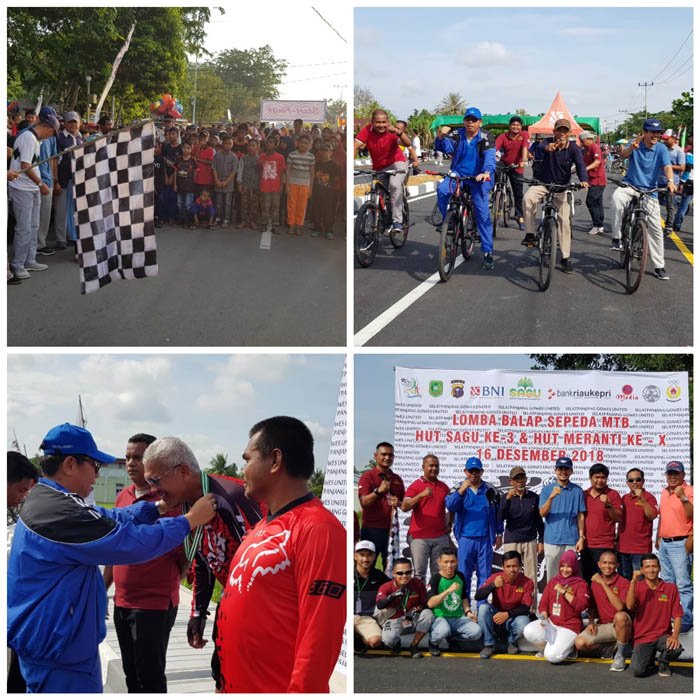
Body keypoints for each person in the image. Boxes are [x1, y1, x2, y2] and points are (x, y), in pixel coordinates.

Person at [7, 424, 216, 693]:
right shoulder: (57, 512)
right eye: (94, 465)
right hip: (59, 652)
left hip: (58, 643)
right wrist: (189, 521)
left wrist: (158, 508)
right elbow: (127, 543)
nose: (98, 473)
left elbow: (107, 519)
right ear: (70, 464)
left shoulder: (54, 501)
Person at [216, 417, 345, 692]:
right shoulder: (262, 526)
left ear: (275, 460)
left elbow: (319, 634)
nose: (243, 471)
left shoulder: (318, 529)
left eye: (247, 459)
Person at [142, 436, 262, 692]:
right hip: (231, 603)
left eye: (156, 480)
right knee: (220, 675)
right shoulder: (189, 505)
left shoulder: (231, 497)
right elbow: (203, 558)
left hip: (258, 611)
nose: (153, 490)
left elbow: (260, 564)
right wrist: (198, 612)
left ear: (184, 471)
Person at [102, 433, 187, 693]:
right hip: (122, 601)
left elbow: (184, 554)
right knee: (131, 675)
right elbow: (112, 550)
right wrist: (103, 588)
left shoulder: (169, 500)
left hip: (153, 605)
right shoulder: (122, 498)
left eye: (138, 457)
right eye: (128, 457)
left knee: (150, 678)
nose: (131, 463)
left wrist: (170, 585)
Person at [610, 118, 676, 280]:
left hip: (650, 191)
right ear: (644, 132)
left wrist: (670, 181)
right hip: (630, 186)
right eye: (652, 132)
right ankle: (617, 238)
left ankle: (659, 266)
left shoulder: (661, 148)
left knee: (655, 230)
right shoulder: (635, 142)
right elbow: (622, 155)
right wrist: (632, 147)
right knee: (616, 198)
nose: (656, 135)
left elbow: (667, 166)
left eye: (658, 132)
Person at [521, 119, 589, 273]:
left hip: (562, 187)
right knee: (528, 198)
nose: (562, 134)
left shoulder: (574, 148)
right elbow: (539, 149)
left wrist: (584, 180)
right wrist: (548, 148)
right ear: (554, 132)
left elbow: (580, 165)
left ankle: (565, 258)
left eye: (565, 131)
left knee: (564, 221)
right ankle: (530, 234)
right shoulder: (546, 143)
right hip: (543, 184)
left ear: (569, 133)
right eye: (559, 131)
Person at [434, 107, 497, 269]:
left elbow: (490, 158)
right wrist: (441, 136)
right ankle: (448, 222)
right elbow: (444, 147)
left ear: (480, 122)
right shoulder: (457, 135)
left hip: (479, 178)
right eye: (468, 119)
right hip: (458, 175)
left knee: (483, 214)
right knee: (442, 190)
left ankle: (487, 252)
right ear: (464, 121)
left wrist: (486, 172)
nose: (470, 122)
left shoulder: (486, 137)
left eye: (474, 120)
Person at [8, 111, 59, 280]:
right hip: (22, 188)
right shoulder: (29, 138)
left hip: (31, 188)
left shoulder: (36, 139)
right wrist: (40, 183)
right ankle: (18, 264)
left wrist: (38, 184)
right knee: (24, 228)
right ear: (47, 127)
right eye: (52, 132)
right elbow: (25, 165)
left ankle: (29, 259)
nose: (52, 135)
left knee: (33, 226)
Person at [445, 456, 503, 602]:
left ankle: (482, 606)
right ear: (465, 471)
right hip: (466, 538)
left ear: (481, 472)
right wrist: (462, 491)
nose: (473, 474)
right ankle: (465, 607)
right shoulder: (458, 487)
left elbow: (498, 513)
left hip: (485, 538)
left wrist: (499, 533)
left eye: (476, 471)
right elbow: (450, 506)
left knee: (485, 574)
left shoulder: (490, 489)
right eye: (470, 471)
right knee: (464, 574)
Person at [523, 550, 590, 663]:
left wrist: (564, 592)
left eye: (569, 566)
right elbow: (543, 604)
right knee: (529, 631)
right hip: (552, 623)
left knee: (552, 657)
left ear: (574, 566)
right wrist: (544, 619)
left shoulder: (581, 584)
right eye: (562, 566)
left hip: (569, 626)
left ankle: (570, 648)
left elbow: (581, 606)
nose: (565, 569)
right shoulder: (554, 581)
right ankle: (550, 646)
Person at [354, 109, 412, 237]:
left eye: (383, 122)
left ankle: (397, 222)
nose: (381, 125)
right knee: (378, 193)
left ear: (388, 122)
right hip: (379, 167)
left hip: (396, 163)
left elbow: (408, 143)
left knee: (394, 186)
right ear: (372, 122)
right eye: (377, 122)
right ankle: (379, 219)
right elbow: (355, 146)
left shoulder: (392, 132)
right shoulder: (366, 131)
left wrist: (399, 132)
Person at [626, 554, 683, 677]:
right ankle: (650, 658)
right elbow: (629, 606)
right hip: (643, 637)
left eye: (654, 566)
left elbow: (677, 615)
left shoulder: (671, 588)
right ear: (641, 569)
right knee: (638, 671)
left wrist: (675, 636)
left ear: (659, 568)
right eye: (647, 567)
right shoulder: (636, 586)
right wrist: (633, 582)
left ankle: (664, 662)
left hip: (663, 635)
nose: (651, 570)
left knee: (675, 648)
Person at [574, 551, 632, 671]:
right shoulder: (595, 583)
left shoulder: (624, 583)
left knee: (620, 616)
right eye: (604, 563)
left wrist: (603, 584)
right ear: (599, 564)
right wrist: (590, 622)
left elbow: (619, 607)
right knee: (579, 643)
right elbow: (592, 607)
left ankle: (620, 655)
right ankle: (608, 645)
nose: (607, 566)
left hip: (621, 626)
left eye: (611, 563)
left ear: (617, 566)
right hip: (604, 625)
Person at [497, 466, 544, 613]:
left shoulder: (534, 497)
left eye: (522, 478)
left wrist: (541, 539)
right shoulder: (505, 497)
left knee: (530, 577)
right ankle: (507, 607)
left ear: (526, 479)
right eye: (516, 479)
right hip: (511, 539)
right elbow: (499, 518)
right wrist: (508, 499)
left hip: (530, 538)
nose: (519, 481)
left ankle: (530, 609)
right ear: (511, 481)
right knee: (509, 574)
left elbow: (538, 520)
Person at [401, 454, 451, 584]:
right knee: (419, 573)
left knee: (439, 573)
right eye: (431, 465)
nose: (434, 468)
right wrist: (421, 495)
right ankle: (419, 602)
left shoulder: (443, 487)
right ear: (423, 467)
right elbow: (404, 507)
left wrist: (450, 523)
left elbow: (452, 507)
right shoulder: (416, 486)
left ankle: (435, 601)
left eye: (436, 465)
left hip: (439, 537)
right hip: (419, 537)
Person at [655, 460, 693, 632]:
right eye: (669, 473)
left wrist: (683, 498)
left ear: (683, 475)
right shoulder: (664, 491)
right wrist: (658, 537)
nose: (672, 476)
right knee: (668, 583)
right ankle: (670, 617)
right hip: (664, 542)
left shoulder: (690, 491)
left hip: (681, 542)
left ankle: (684, 620)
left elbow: (693, 515)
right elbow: (662, 515)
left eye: (676, 473)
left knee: (683, 584)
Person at [475, 550, 533, 657]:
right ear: (503, 567)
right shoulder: (496, 578)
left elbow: (526, 608)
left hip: (513, 617)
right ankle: (489, 644)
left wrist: (507, 614)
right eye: (508, 566)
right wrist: (493, 585)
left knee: (524, 621)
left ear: (520, 566)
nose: (511, 570)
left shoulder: (527, 582)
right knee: (483, 608)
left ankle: (512, 641)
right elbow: (478, 596)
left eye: (515, 566)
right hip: (496, 617)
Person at [357, 442, 405, 570]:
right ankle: (366, 590)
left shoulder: (397, 479)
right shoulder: (367, 477)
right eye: (383, 454)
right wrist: (378, 491)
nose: (387, 458)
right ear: (375, 456)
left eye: (390, 455)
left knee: (391, 566)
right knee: (367, 566)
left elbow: (403, 504)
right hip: (372, 529)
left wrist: (398, 503)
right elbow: (364, 502)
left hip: (391, 530)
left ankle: (386, 590)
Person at [539, 456, 586, 582]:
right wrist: (551, 498)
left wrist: (581, 537)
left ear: (571, 471)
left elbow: (581, 515)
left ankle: (568, 602)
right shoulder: (547, 490)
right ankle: (553, 601)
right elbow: (542, 513)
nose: (563, 472)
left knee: (570, 576)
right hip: (551, 540)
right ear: (555, 470)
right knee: (552, 577)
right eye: (560, 468)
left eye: (566, 469)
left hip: (571, 540)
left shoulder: (577, 490)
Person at [375, 557, 435, 658]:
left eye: (408, 572)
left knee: (428, 614)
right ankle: (396, 642)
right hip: (395, 620)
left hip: (413, 620)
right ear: (393, 573)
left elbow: (426, 603)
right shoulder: (386, 586)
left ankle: (414, 645)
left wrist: (416, 610)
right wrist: (391, 596)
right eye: (400, 573)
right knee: (389, 640)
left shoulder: (418, 583)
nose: (404, 576)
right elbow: (379, 605)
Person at [427, 547, 481, 655]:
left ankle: (452, 638)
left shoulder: (460, 576)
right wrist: (448, 591)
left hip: (457, 618)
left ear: (457, 561)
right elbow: (430, 603)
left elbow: (464, 597)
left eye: (452, 561)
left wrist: (468, 612)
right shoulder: (435, 579)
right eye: (446, 562)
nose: (449, 565)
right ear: (439, 562)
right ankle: (433, 642)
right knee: (443, 630)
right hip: (440, 618)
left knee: (477, 632)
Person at [581, 463, 622, 582]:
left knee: (605, 582)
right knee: (587, 581)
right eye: (596, 477)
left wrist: (608, 505)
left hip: (605, 545)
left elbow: (619, 519)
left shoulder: (613, 494)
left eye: (603, 477)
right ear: (590, 478)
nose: (600, 480)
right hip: (586, 546)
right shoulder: (584, 495)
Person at [618, 468, 658, 580]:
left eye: (637, 479)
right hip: (623, 549)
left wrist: (642, 499)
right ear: (627, 483)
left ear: (643, 481)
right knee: (624, 581)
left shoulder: (649, 497)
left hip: (640, 550)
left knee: (640, 583)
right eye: (631, 480)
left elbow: (652, 515)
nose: (634, 482)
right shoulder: (624, 498)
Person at [54, 111, 83, 254]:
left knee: (74, 211)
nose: (72, 124)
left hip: (77, 180)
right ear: (64, 123)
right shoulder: (59, 138)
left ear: (80, 123)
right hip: (63, 180)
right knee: (61, 211)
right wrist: (56, 181)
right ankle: (61, 239)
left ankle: (72, 236)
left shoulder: (82, 139)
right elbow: (54, 162)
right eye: (70, 122)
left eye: (75, 122)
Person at [494, 115, 529, 229]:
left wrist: (523, 160)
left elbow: (525, 148)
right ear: (509, 126)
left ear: (521, 127)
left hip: (517, 166)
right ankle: (495, 192)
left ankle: (520, 217)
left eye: (517, 125)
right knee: (494, 169)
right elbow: (494, 148)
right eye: (513, 125)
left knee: (518, 193)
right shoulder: (503, 136)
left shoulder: (524, 134)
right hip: (505, 163)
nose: (515, 127)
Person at [354, 540, 390, 650]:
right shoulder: (344, 574)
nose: (365, 559)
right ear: (355, 556)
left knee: (375, 642)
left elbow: (394, 588)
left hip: (366, 619)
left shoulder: (379, 576)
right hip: (345, 619)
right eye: (362, 555)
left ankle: (359, 637)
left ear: (374, 556)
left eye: (369, 555)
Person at [35, 107, 58, 256]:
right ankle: (33, 246)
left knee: (44, 215)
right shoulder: (30, 135)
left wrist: (54, 180)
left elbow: (53, 159)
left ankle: (40, 244)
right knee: (31, 218)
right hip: (33, 180)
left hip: (47, 180)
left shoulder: (52, 137)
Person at [286, 133, 315, 235]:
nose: (303, 145)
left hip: (305, 184)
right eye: (302, 143)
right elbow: (288, 171)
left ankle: (299, 226)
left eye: (306, 143)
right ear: (297, 143)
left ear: (310, 145)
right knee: (291, 205)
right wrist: (287, 186)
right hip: (293, 183)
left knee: (301, 206)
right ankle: (291, 225)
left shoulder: (311, 157)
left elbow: (312, 173)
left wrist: (311, 188)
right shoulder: (292, 155)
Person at [579, 130, 607, 235]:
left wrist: (585, 169)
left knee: (590, 201)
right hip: (592, 179)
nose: (581, 143)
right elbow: (581, 164)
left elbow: (597, 162)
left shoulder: (594, 147)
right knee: (598, 203)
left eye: (582, 141)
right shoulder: (585, 149)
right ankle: (600, 225)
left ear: (587, 139)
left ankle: (597, 225)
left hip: (598, 179)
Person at [658, 129, 685, 236]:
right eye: (663, 139)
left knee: (670, 206)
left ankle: (668, 227)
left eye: (667, 139)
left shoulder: (679, 151)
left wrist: (667, 166)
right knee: (654, 204)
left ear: (673, 138)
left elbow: (682, 167)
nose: (665, 141)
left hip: (672, 183)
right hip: (658, 180)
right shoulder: (662, 149)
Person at [310, 142, 339, 239]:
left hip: (329, 194)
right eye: (322, 150)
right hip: (317, 192)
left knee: (329, 212)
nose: (324, 152)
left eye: (326, 150)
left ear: (331, 152)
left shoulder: (334, 165)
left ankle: (329, 230)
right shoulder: (316, 164)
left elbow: (337, 180)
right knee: (317, 211)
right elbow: (313, 177)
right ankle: (317, 229)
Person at [258, 136, 286, 234]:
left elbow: (282, 172)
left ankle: (275, 225)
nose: (268, 144)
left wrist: (282, 185)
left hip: (276, 186)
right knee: (265, 206)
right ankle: (264, 224)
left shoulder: (280, 157)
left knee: (276, 207)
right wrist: (261, 160)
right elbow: (258, 167)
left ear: (275, 145)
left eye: (271, 142)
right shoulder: (262, 156)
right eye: (267, 142)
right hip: (265, 186)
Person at [212, 135, 237, 227]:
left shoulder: (234, 157)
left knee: (227, 203)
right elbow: (213, 168)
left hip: (229, 184)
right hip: (218, 182)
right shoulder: (217, 155)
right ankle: (218, 218)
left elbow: (234, 171)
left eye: (230, 144)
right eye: (226, 143)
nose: (228, 145)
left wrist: (226, 182)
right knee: (218, 203)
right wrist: (217, 180)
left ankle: (226, 219)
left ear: (232, 144)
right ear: (222, 144)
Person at [236, 138, 261, 230]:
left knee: (254, 204)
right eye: (249, 145)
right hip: (245, 184)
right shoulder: (243, 158)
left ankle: (253, 221)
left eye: (253, 146)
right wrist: (239, 183)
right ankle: (244, 221)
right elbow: (240, 170)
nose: (251, 148)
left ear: (257, 147)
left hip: (256, 185)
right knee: (244, 203)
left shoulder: (260, 159)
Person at [174, 141, 198, 224]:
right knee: (179, 203)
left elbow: (195, 173)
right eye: (184, 147)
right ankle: (181, 218)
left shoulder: (193, 160)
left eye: (188, 148)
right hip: (179, 185)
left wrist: (194, 184)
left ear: (191, 149)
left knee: (188, 204)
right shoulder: (178, 159)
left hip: (189, 186)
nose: (185, 150)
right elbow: (175, 172)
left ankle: (188, 220)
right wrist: (175, 184)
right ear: (181, 148)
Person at [672, 147, 693, 232]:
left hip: (690, 182)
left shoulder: (690, 153)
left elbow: (688, 169)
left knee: (683, 205)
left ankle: (677, 224)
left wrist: (682, 182)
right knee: (686, 203)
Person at [192, 130, 215, 196]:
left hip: (206, 179)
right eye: (201, 137)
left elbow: (211, 162)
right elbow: (194, 159)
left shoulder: (210, 149)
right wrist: (199, 147)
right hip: (196, 178)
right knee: (196, 197)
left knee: (205, 197)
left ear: (208, 139)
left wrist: (199, 160)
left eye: (204, 138)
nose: (202, 139)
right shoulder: (195, 148)